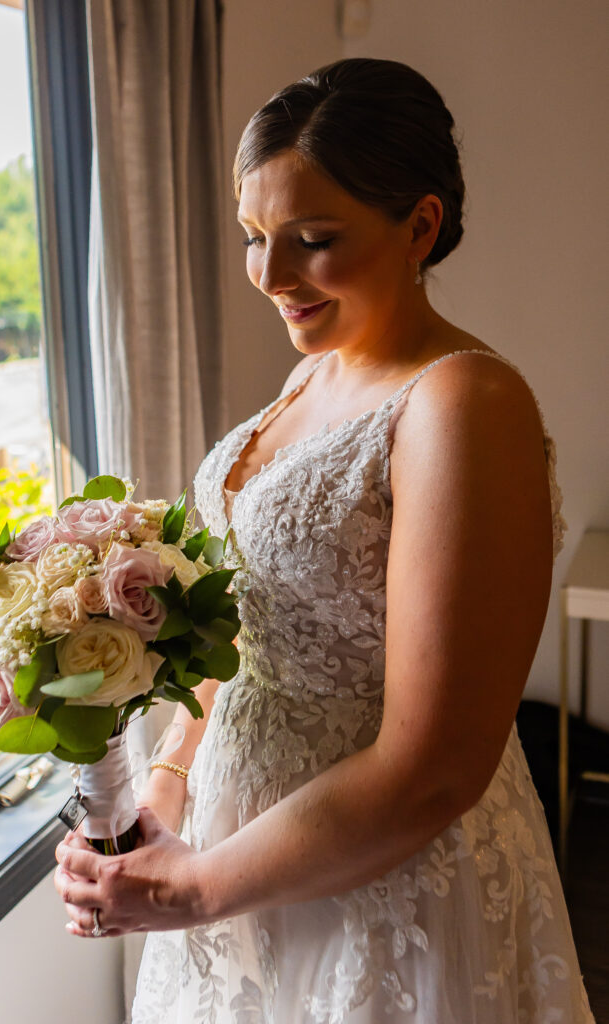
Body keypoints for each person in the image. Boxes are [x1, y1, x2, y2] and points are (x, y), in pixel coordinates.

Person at [54, 58, 595, 1022]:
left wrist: (193, 889)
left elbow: (434, 767)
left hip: (382, 893)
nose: (268, 276)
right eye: (255, 237)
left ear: (419, 225)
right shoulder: (314, 376)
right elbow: (247, 635)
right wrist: (164, 799)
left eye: (312, 239)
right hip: (230, 862)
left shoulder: (464, 405)